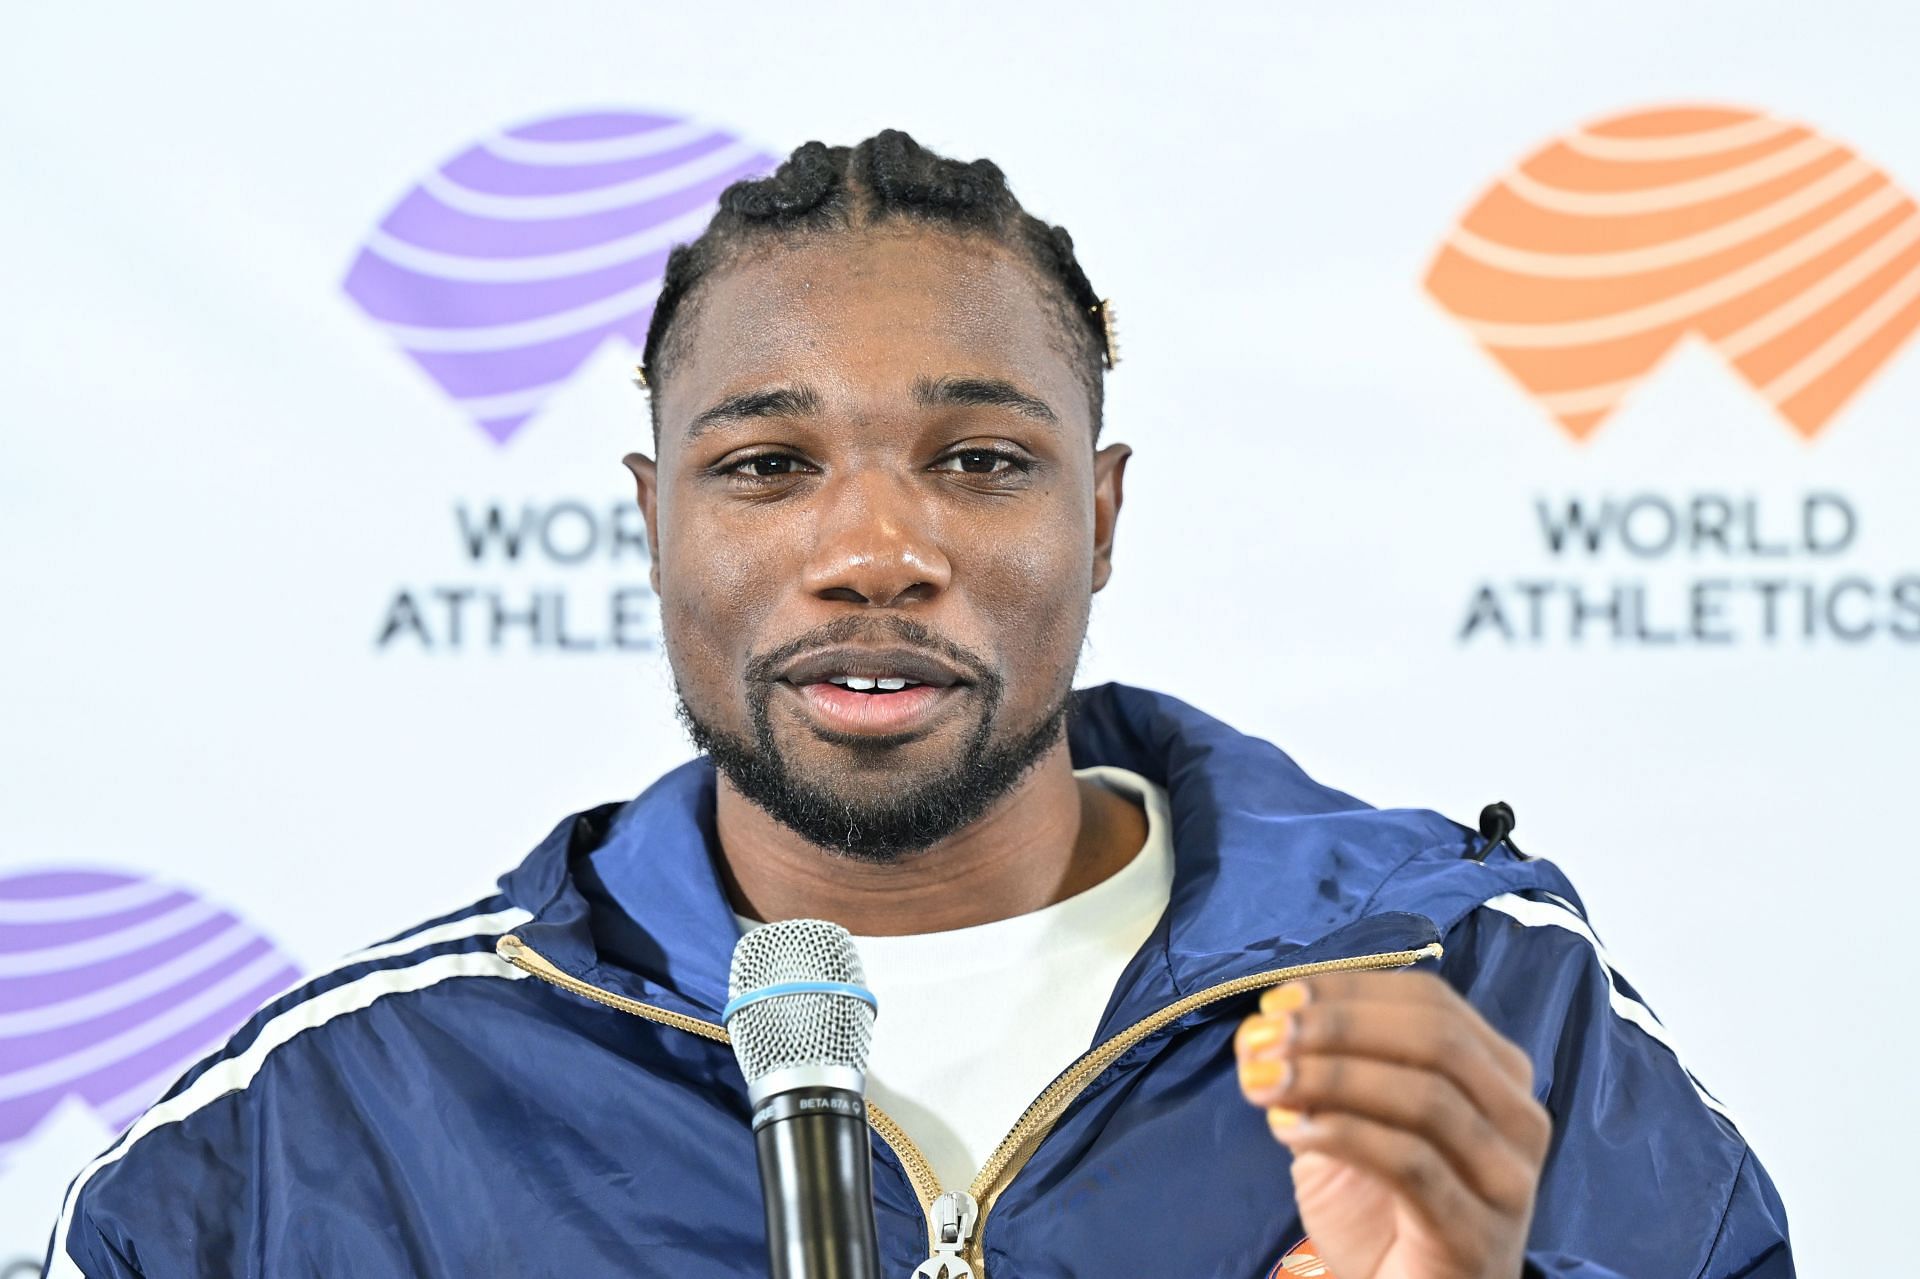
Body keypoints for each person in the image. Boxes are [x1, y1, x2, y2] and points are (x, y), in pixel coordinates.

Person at [45, 130, 1791, 1279]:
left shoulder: (1473, 996)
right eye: (767, 464)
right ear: (652, 522)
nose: (874, 549)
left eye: (976, 460)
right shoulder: (326, 1131)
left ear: (1100, 517)